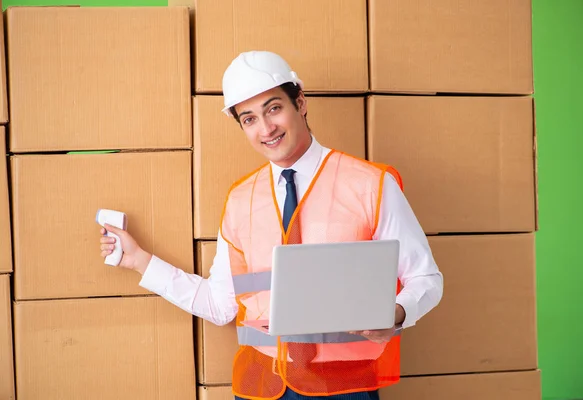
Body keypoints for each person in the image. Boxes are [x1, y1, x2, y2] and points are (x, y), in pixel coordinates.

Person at [99, 51, 443, 400]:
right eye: (248, 119)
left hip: (344, 388)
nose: (266, 129)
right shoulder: (240, 200)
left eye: (274, 108)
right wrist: (139, 260)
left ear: (301, 102)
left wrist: (397, 313)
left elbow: (426, 279)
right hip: (260, 387)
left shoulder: (370, 184)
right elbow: (221, 307)